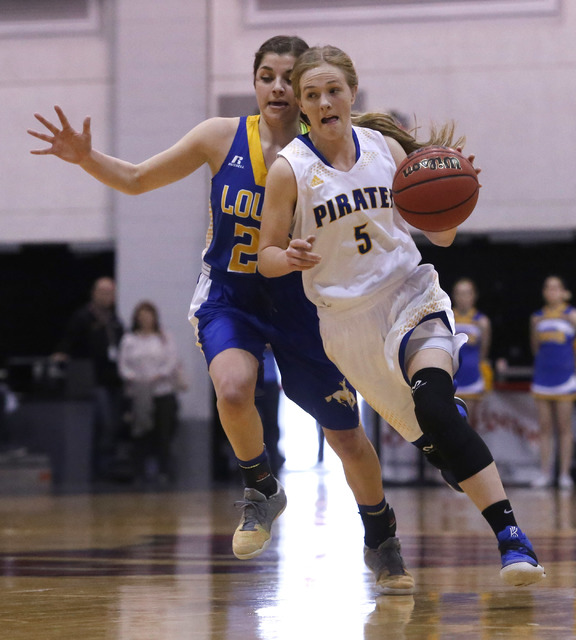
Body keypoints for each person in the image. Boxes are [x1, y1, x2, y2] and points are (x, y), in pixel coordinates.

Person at [28, 36, 415, 595]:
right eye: (266, 76)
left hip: (302, 303)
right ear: (255, 82)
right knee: (232, 388)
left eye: (288, 77)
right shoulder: (220, 137)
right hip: (231, 296)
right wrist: (87, 157)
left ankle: (382, 538)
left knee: (347, 438)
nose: (277, 87)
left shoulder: (323, 149)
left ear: (306, 90)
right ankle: (261, 488)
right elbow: (138, 180)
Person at [258, 44, 545, 588]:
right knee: (438, 441)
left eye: (333, 91)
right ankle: (445, 442)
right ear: (300, 105)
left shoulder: (385, 147)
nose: (324, 102)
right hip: (347, 326)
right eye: (311, 95)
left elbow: (440, 235)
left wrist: (455, 200)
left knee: (434, 406)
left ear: (351, 94)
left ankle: (513, 541)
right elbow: (265, 257)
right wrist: (286, 257)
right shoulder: (288, 171)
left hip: (411, 293)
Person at [53, 276, 124, 480]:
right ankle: (98, 469)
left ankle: (107, 465)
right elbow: (69, 342)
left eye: (111, 293)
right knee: (104, 422)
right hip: (93, 380)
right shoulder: (83, 317)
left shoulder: (115, 321)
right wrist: (62, 354)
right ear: (94, 293)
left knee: (114, 424)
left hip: (114, 380)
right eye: (103, 292)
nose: (107, 296)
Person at [119, 300, 180, 485]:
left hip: (162, 391)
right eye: (142, 316)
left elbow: (171, 361)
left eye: (149, 316)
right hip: (139, 393)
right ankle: (139, 472)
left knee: (163, 434)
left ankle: (164, 471)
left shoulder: (164, 338)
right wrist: (135, 378)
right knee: (140, 433)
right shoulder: (129, 340)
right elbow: (123, 365)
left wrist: (157, 376)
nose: (145, 319)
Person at [530, 275, 576, 490]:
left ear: (564, 292)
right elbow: (535, 348)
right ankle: (545, 473)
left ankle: (564, 473)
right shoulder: (537, 318)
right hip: (542, 377)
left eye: (556, 288)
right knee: (545, 427)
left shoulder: (571, 315)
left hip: (565, 378)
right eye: (548, 288)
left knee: (564, 427)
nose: (552, 292)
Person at [451, 278, 492, 428]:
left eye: (467, 293)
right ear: (454, 296)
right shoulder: (448, 318)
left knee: (469, 425)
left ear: (474, 296)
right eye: (459, 293)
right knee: (449, 424)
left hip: (472, 378)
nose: (463, 298)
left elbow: (484, 351)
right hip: (451, 378)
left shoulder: (482, 321)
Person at [255, 346, 285, 476]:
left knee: (271, 428)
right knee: (253, 428)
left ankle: (274, 469)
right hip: (251, 383)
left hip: (270, 384)